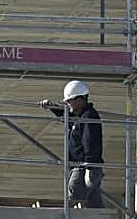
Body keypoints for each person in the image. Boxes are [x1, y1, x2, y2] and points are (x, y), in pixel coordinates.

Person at [40, 80, 104, 208]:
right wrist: (52, 107)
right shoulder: (81, 116)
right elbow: (69, 117)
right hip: (85, 166)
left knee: (74, 193)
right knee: (93, 202)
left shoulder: (89, 117)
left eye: (69, 101)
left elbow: (90, 142)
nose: (68, 104)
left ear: (79, 100)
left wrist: (89, 167)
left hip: (84, 166)